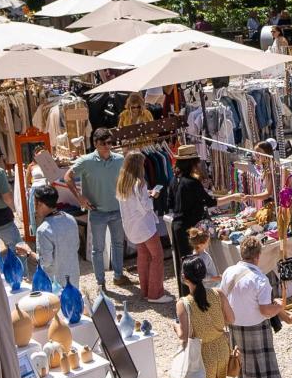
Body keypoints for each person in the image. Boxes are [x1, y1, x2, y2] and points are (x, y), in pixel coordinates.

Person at [221, 234, 282, 378]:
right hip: (255, 325)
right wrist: (278, 307)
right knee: (257, 363)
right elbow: (265, 310)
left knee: (244, 361)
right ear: (258, 256)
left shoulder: (229, 272)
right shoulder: (260, 279)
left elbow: (222, 297)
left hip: (234, 323)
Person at [164, 144, 240, 283]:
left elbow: (169, 204)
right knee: (194, 269)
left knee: (185, 268)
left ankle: (186, 295)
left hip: (178, 226)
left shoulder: (175, 180)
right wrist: (233, 197)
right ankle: (195, 296)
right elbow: (211, 202)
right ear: (192, 163)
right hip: (189, 229)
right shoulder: (192, 182)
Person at [66, 128, 129, 290]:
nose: (108, 146)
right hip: (97, 211)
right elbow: (68, 177)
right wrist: (79, 197)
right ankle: (100, 282)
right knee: (98, 249)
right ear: (95, 143)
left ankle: (118, 276)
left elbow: (125, 180)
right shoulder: (86, 161)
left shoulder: (119, 159)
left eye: (110, 143)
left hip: (117, 210)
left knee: (118, 244)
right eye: (104, 143)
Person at [115, 155, 171, 304]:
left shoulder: (122, 182)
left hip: (132, 226)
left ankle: (145, 291)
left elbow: (133, 201)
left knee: (143, 257)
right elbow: (146, 206)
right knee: (157, 256)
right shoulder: (139, 183)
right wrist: (153, 196)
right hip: (145, 226)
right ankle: (155, 294)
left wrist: (147, 194)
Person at [17, 185, 81, 289]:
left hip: (56, 284)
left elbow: (45, 262)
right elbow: (76, 246)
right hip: (73, 278)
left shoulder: (44, 230)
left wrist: (28, 252)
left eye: (34, 203)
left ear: (39, 203)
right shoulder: (70, 219)